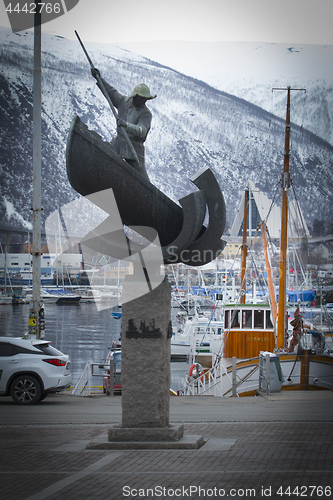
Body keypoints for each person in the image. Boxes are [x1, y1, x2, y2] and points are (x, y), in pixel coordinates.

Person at [91, 68, 156, 179]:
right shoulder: (123, 102)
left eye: (145, 99)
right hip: (119, 142)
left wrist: (126, 125)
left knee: (142, 177)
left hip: (135, 147)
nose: (143, 101)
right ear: (135, 95)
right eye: (141, 98)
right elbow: (110, 92)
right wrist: (99, 78)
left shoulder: (146, 114)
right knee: (105, 155)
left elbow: (142, 131)